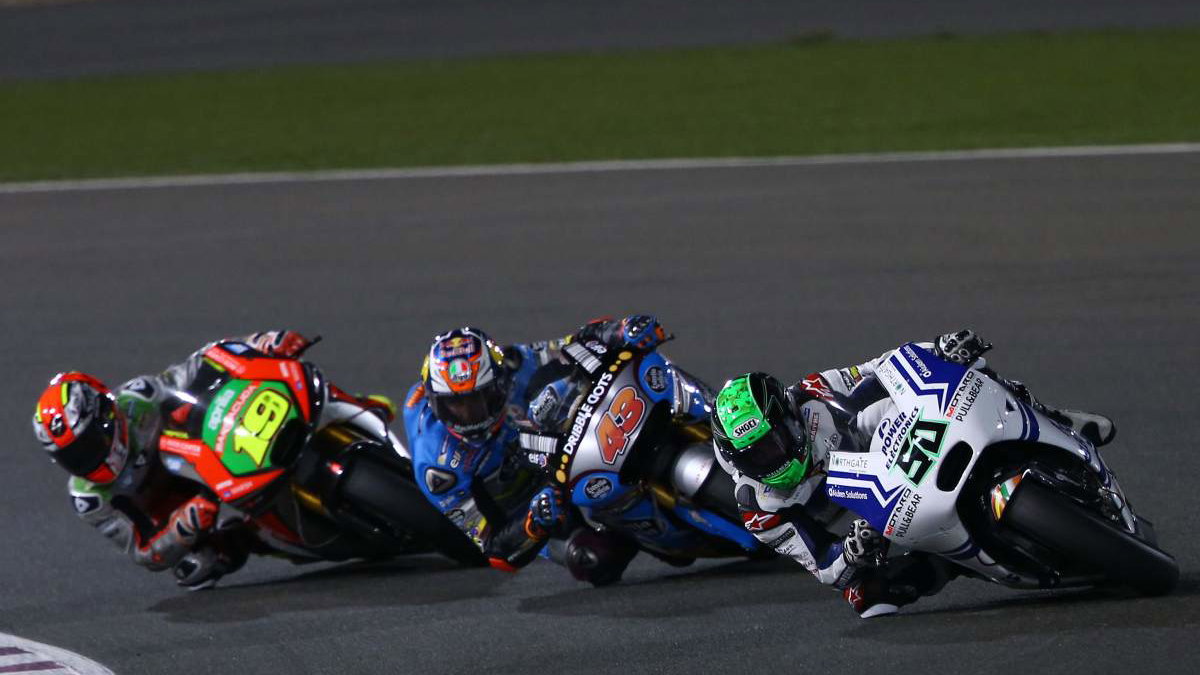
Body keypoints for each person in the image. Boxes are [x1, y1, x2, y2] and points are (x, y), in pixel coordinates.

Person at [709, 329, 1115, 617]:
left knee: (965, 369)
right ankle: (957, 560)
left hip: (879, 442)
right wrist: (850, 553)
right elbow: (823, 565)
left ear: (789, 418)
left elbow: (883, 368)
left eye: (774, 442)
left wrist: (938, 349)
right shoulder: (759, 508)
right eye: (755, 457)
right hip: (867, 514)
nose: (772, 460)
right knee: (867, 597)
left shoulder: (815, 392)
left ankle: (1053, 416)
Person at [32, 331, 394, 590]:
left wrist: (261, 344)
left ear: (106, 415)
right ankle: (260, 540)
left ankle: (356, 407)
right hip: (191, 505)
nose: (86, 459)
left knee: (300, 385)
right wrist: (180, 529)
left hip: (215, 453)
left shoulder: (137, 398)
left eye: (87, 444)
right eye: (72, 456)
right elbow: (143, 551)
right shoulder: (91, 498)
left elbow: (201, 365)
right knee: (199, 565)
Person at [403, 315, 674, 575]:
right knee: (593, 560)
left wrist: (622, 330)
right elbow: (494, 549)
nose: (469, 414)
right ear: (434, 401)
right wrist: (532, 523)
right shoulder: (436, 466)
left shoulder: (513, 364)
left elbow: (573, 344)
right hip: (524, 500)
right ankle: (640, 530)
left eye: (479, 398)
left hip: (555, 445)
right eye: (454, 405)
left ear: (499, 381)